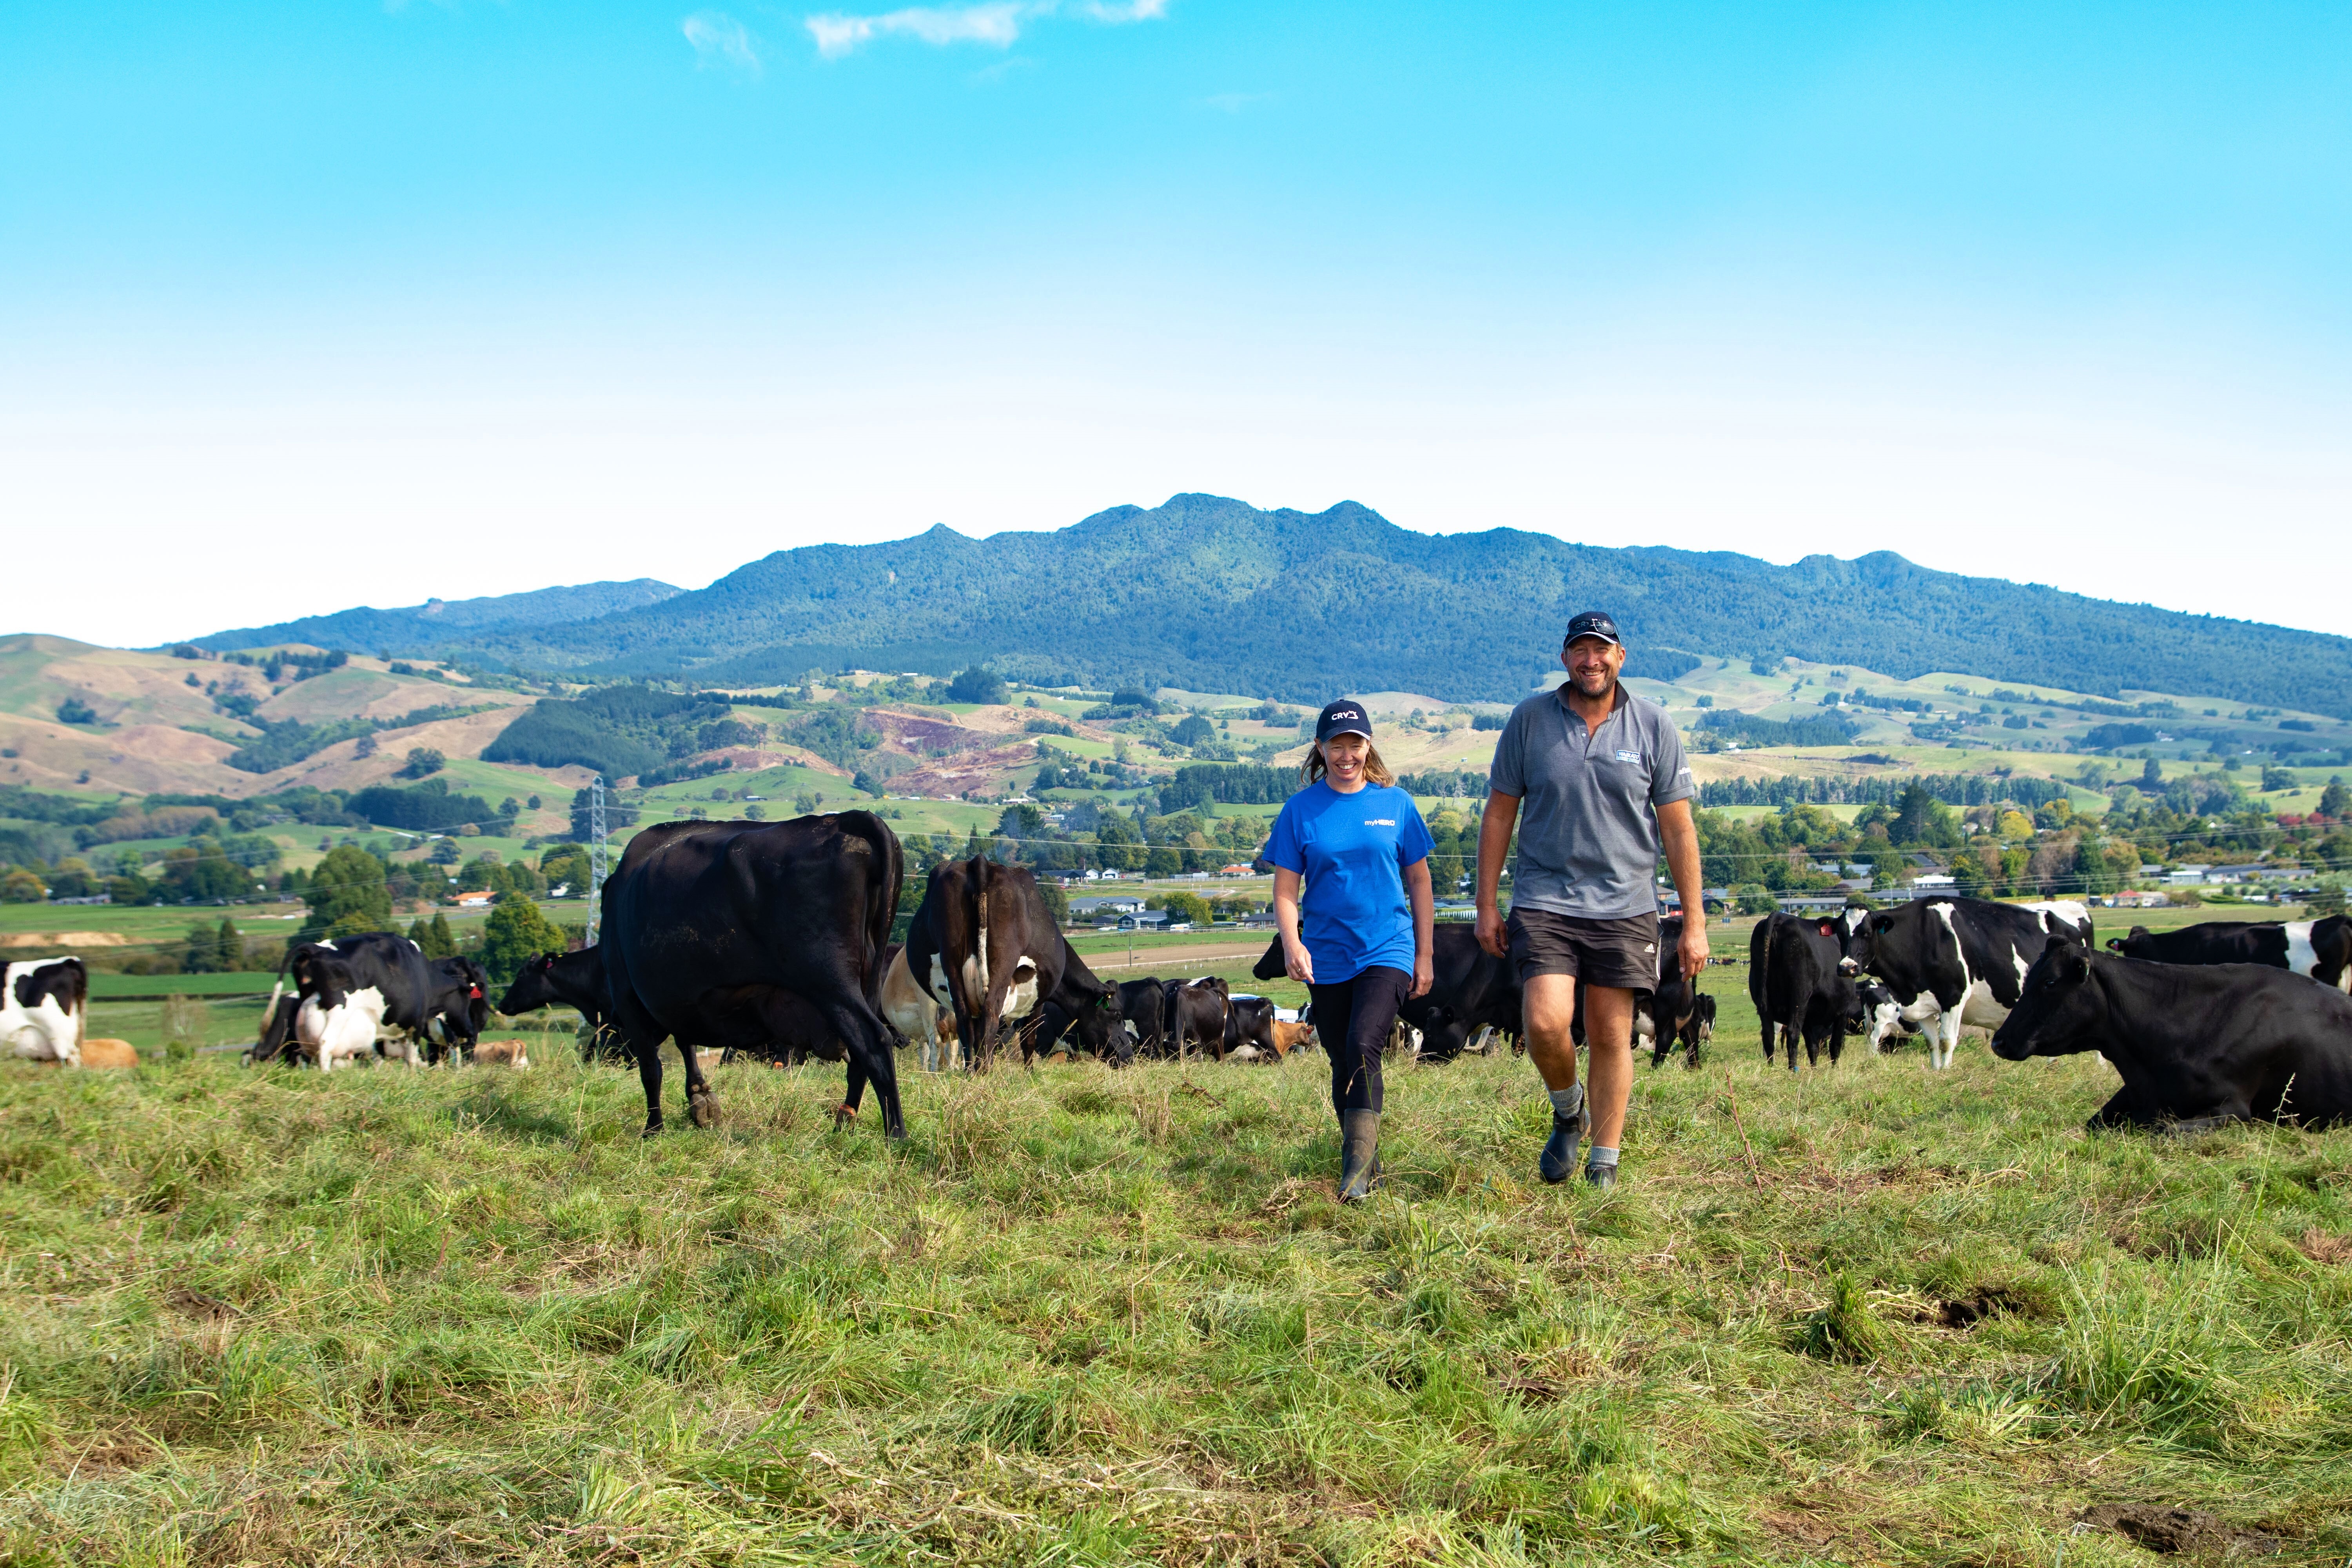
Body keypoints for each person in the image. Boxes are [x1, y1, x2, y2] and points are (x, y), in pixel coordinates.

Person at [1475, 611, 1708, 1189]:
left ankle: (1605, 1160)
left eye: (1601, 650)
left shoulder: (1654, 725)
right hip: (1546, 898)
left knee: (1610, 1034)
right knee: (1545, 1023)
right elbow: (1501, 813)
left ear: (1620, 657)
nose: (1591, 660)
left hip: (1627, 905)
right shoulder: (1530, 720)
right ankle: (1567, 1108)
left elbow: (1679, 830)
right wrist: (1486, 904)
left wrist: (1695, 922)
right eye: (1580, 650)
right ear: (1565, 659)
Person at [1269, 699, 1435, 1202]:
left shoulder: (1396, 804)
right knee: (1342, 1059)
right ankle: (1366, 1159)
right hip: (1327, 956)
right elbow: (1284, 889)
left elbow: (1421, 882)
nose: (1347, 755)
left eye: (1355, 744)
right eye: (1336, 745)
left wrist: (1424, 955)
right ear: (1320, 748)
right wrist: (1293, 943)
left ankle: (1355, 1174)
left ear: (1369, 746)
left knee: (1364, 1044)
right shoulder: (1301, 811)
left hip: (1387, 947)